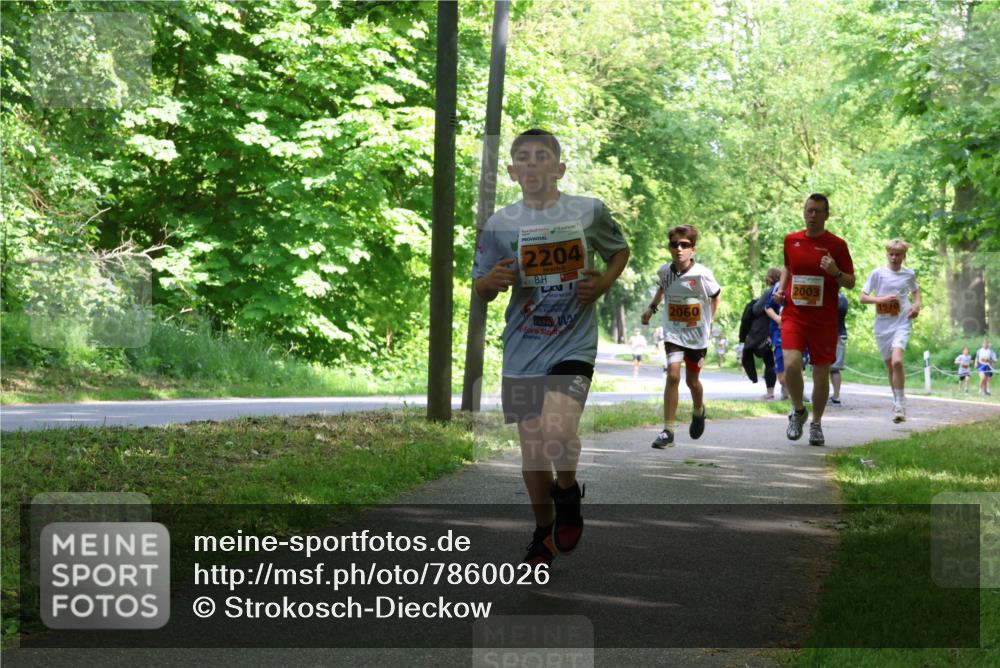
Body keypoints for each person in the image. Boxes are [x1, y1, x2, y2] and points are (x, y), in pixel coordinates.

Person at [473, 129, 630, 567]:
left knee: (559, 432)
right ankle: (543, 531)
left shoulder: (588, 211)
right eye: (523, 157)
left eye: (542, 157)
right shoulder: (499, 225)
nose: (532, 164)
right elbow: (481, 285)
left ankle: (568, 489)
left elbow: (619, 251)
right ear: (512, 171)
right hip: (523, 348)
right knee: (533, 452)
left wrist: (602, 285)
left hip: (572, 342)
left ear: (559, 169)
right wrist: (492, 283)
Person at [773, 194, 855, 446]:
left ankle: (816, 424)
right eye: (809, 210)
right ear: (804, 212)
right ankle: (798, 410)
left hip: (824, 319)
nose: (812, 215)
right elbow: (788, 266)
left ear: (826, 215)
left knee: (821, 374)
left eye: (818, 211)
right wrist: (781, 288)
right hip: (795, 314)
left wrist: (835, 272)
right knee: (791, 363)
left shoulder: (837, 245)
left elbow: (850, 282)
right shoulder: (791, 240)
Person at [641, 224, 721, 448]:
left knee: (692, 381)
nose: (679, 249)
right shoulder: (665, 271)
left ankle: (698, 410)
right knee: (673, 376)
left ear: (692, 249)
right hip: (673, 332)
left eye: (684, 245)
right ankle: (668, 431)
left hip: (697, 336)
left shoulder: (702, 275)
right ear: (669, 247)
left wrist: (709, 321)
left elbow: (715, 297)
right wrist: (651, 308)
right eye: (674, 244)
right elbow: (662, 288)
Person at [860, 239, 921, 422]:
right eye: (891, 254)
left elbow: (916, 292)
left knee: (897, 363)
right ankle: (897, 400)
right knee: (889, 367)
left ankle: (900, 405)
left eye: (898, 255)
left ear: (904, 256)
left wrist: (916, 306)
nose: (894, 258)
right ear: (887, 254)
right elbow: (863, 298)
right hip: (882, 325)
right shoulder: (878, 274)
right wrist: (881, 300)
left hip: (902, 321)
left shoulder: (908, 274)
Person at [745, 268, 780, 399]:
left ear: (770, 278)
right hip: (781, 328)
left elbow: (757, 309)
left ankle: (770, 392)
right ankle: (787, 392)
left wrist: (757, 301)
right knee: (782, 360)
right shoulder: (783, 289)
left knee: (769, 361)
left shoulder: (770, 291)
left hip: (769, 330)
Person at [829, 292, 849, 404]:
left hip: (834, 335)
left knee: (831, 368)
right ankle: (835, 396)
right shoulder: (844, 299)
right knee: (834, 368)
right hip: (841, 334)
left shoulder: (832, 298)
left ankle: (835, 397)